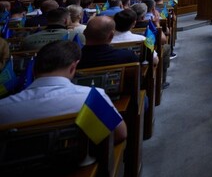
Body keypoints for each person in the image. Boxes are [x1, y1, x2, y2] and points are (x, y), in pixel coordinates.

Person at [0, 40, 128, 143]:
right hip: (82, 170)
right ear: (73, 68)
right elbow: (120, 134)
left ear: (33, 70)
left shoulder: (3, 108)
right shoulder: (91, 98)